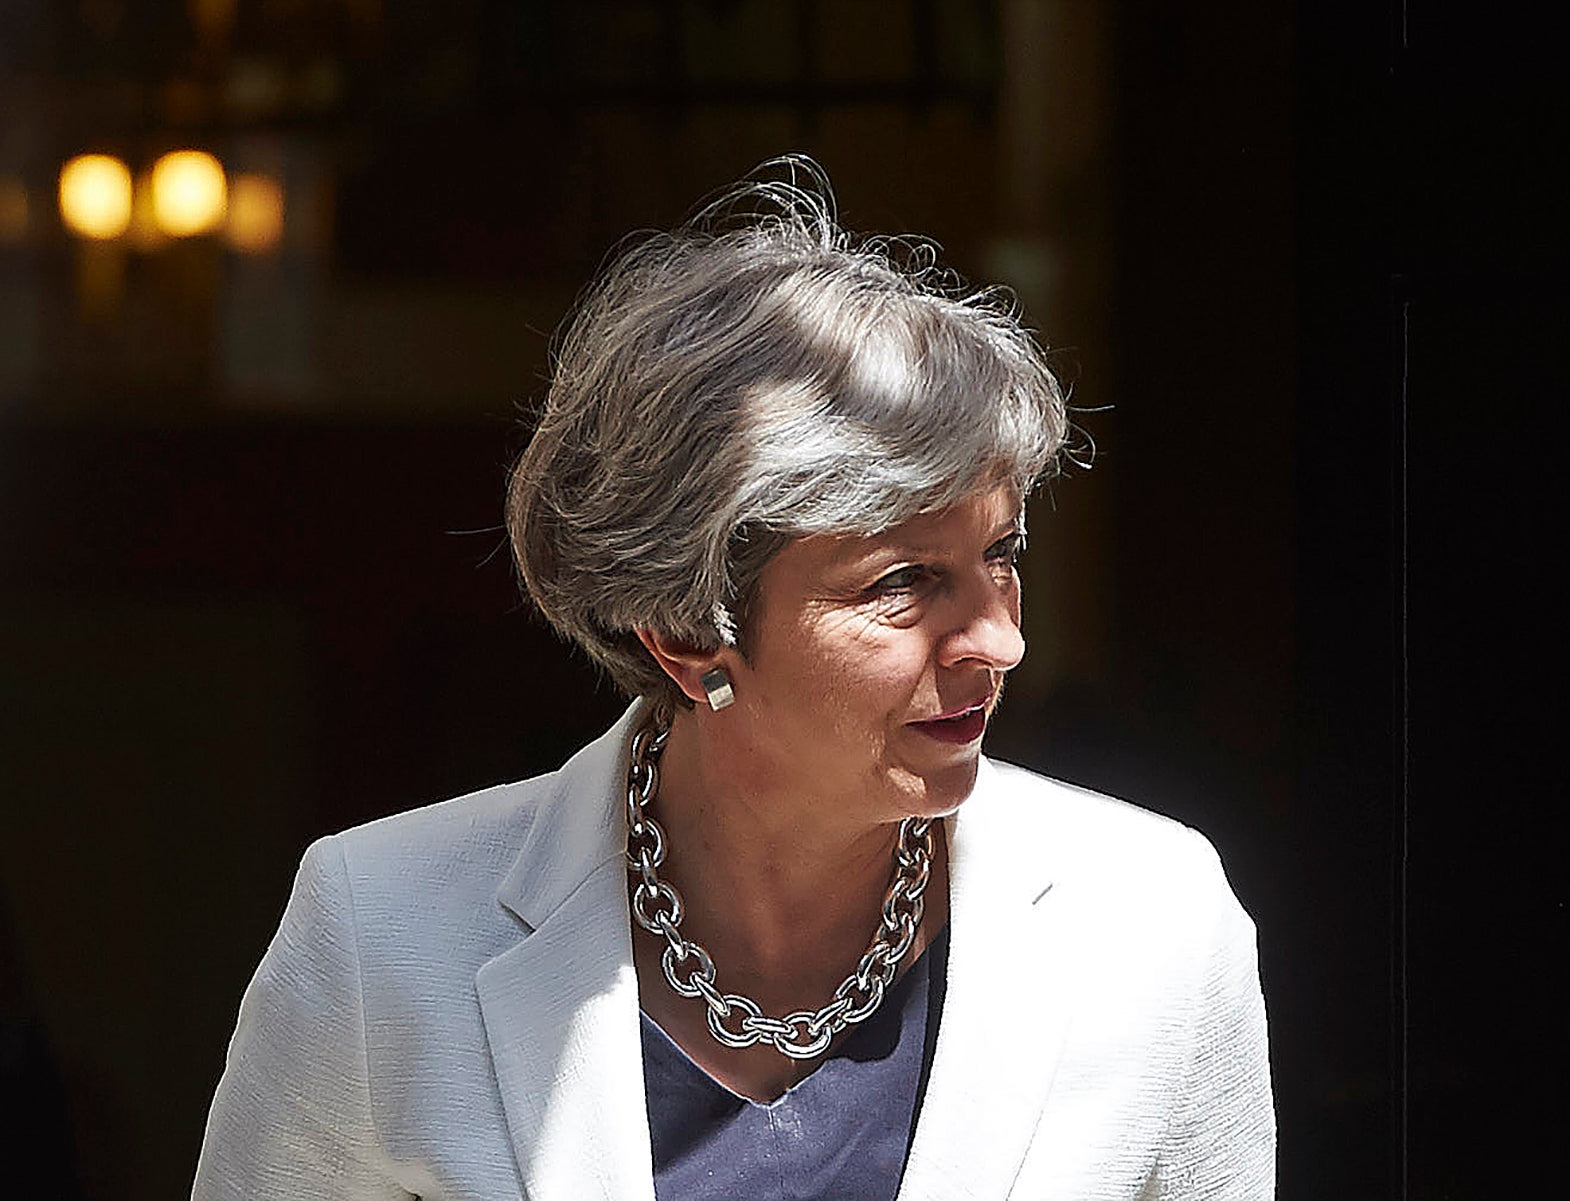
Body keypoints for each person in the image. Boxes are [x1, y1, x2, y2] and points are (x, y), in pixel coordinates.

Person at [192, 163, 1275, 1201]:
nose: (998, 640)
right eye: (905, 583)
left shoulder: (1153, 922)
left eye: (1002, 554)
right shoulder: (384, 932)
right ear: (682, 629)